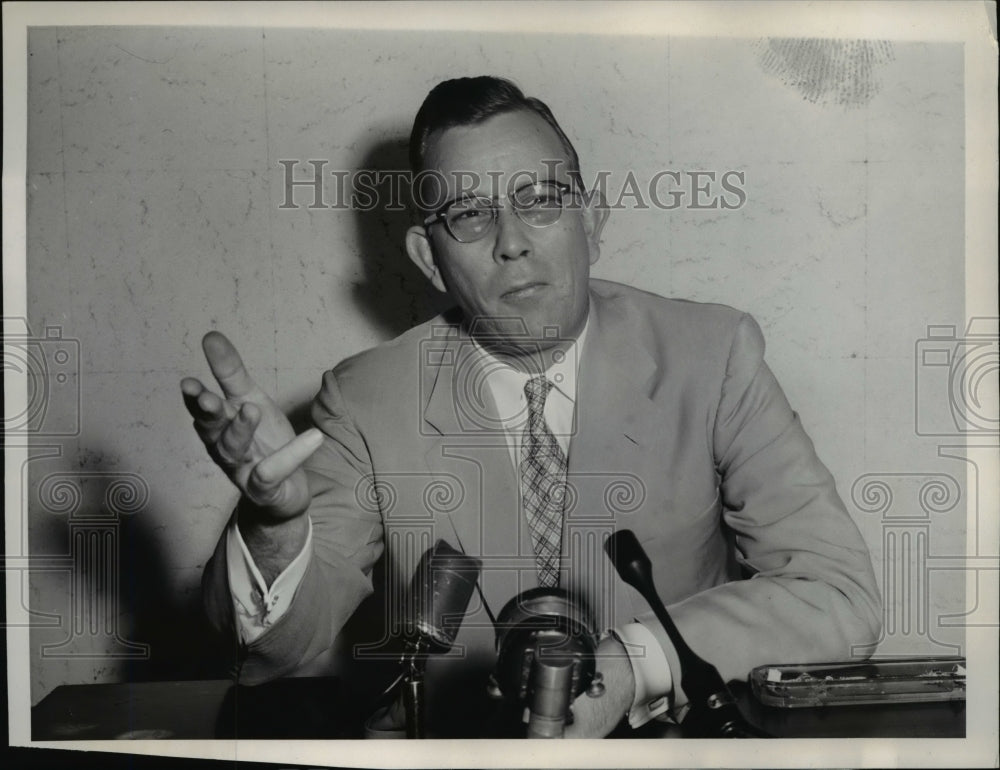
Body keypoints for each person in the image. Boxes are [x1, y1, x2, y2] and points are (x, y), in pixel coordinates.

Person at [181, 76, 881, 738]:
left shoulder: (713, 356)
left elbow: (836, 593)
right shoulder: (366, 400)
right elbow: (262, 659)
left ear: (590, 219)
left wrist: (630, 666)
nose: (512, 242)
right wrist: (275, 528)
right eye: (470, 214)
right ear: (429, 258)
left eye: (540, 199)